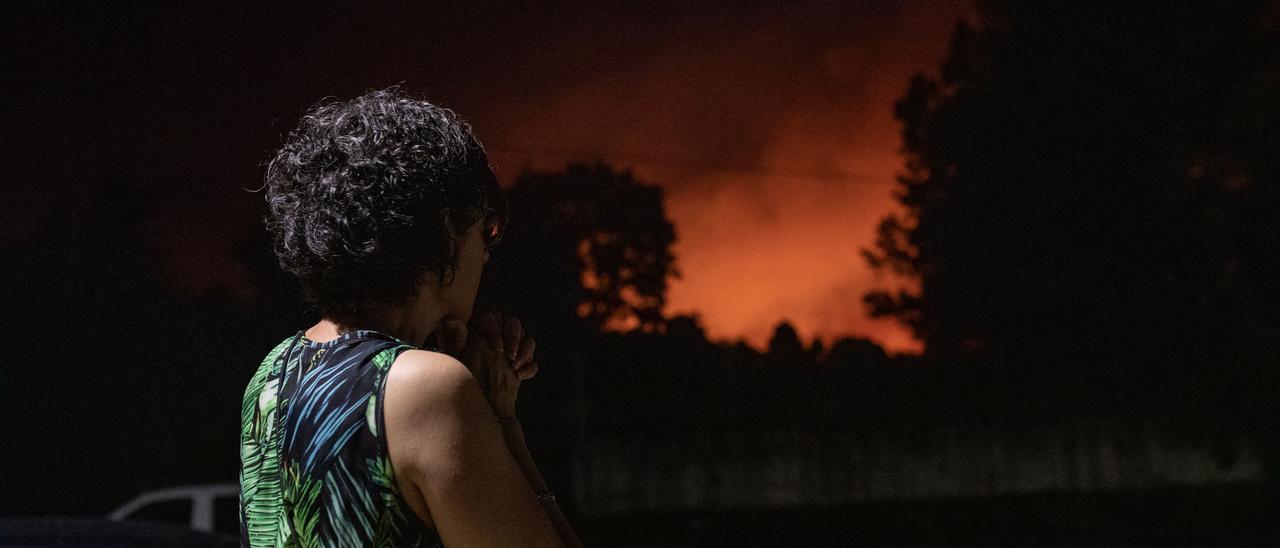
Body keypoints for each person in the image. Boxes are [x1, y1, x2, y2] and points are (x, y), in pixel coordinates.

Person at [238, 86, 582, 547]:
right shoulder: (427, 388)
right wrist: (504, 422)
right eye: (488, 229)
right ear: (444, 228)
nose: (485, 254)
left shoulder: (272, 373)